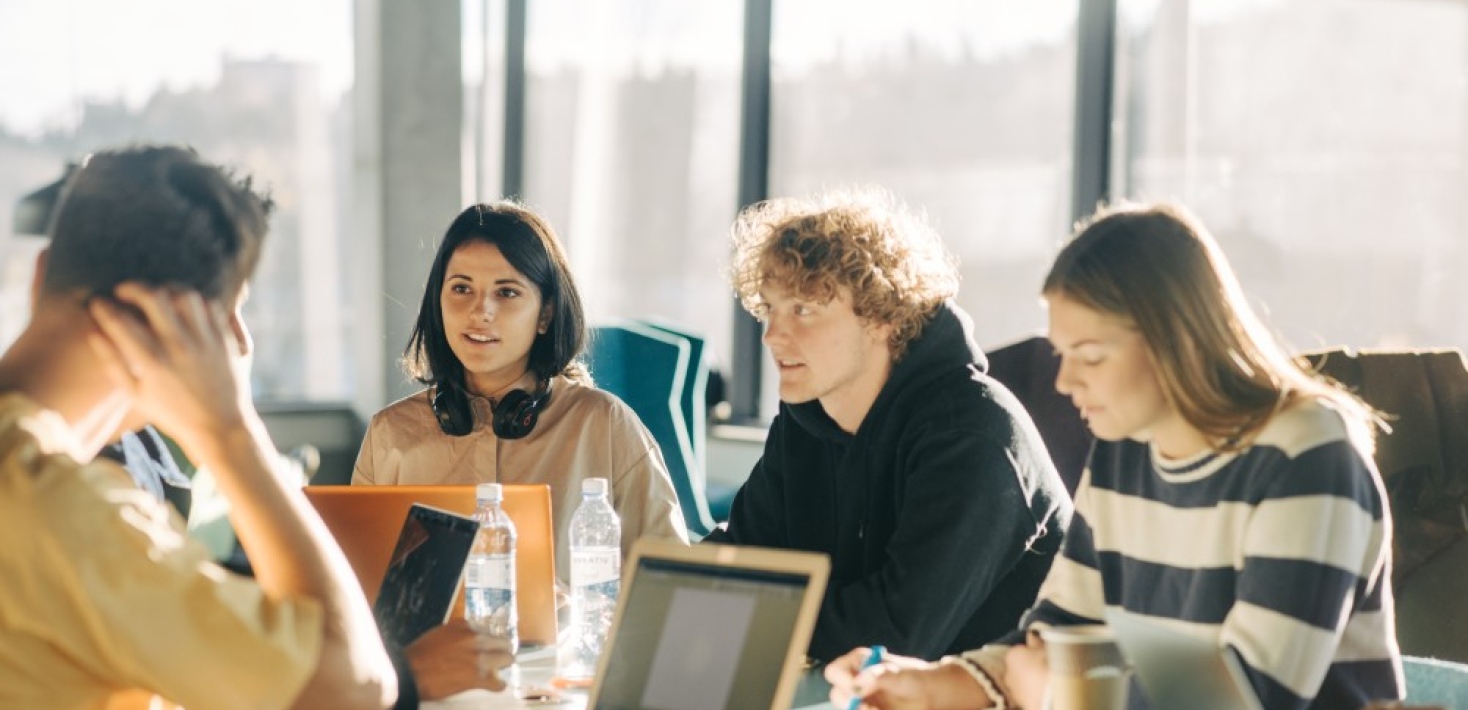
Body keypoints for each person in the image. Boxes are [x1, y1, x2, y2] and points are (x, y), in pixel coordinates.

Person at [827, 201, 1404, 709]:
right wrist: (930, 685)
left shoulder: (1308, 455)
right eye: (1062, 353)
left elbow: (1256, 696)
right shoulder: (1125, 450)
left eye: (1091, 355)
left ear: (1173, 339)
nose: (1064, 381)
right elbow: (1059, 635)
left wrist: (1056, 694)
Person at [0, 145, 510, 709]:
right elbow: (358, 688)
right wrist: (229, 427)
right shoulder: (72, 516)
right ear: (185, 334)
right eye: (231, 319)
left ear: (42, 273)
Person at [702, 188, 1072, 662]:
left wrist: (737, 610)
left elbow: (895, 636)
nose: (773, 335)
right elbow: (734, 561)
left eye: (803, 309)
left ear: (880, 318)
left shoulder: (974, 435)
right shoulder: (806, 420)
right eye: (769, 309)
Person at [352, 201, 690, 580]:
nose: (480, 311)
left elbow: (670, 580)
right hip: (427, 642)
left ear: (545, 314)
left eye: (507, 293)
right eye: (461, 288)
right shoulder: (390, 434)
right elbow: (356, 586)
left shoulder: (603, 426)